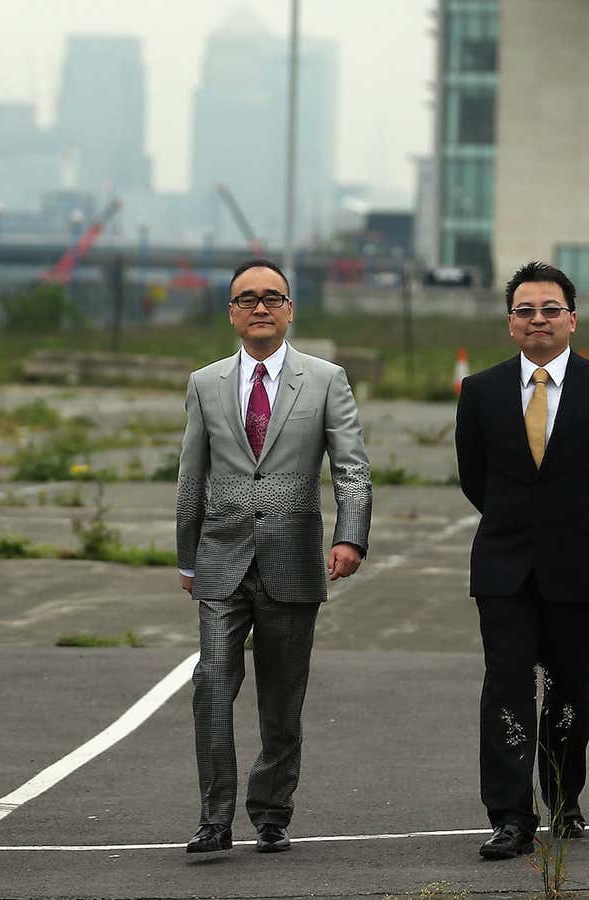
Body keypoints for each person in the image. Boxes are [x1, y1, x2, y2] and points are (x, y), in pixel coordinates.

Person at [176, 259, 372, 855]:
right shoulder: (205, 383)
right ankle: (214, 818)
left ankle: (270, 813)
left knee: (282, 699)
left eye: (272, 297)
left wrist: (350, 536)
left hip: (293, 558)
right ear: (232, 312)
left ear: (290, 309)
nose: (260, 307)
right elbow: (191, 476)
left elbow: (352, 468)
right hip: (220, 559)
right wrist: (188, 559)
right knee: (212, 687)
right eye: (247, 298)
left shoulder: (325, 379)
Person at [455, 261, 589, 859]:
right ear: (511, 323)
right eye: (525, 311)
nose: (538, 320)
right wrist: (523, 520)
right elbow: (474, 478)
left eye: (550, 310)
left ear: (572, 320)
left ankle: (565, 799)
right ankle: (511, 816)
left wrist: (574, 517)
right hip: (504, 566)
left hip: (580, 564)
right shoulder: (481, 391)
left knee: (568, 688)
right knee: (506, 687)